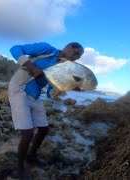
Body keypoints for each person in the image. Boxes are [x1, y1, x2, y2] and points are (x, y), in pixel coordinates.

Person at [8, 42, 84, 179]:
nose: (77, 57)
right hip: (19, 89)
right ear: (67, 48)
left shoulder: (63, 68)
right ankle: (19, 167)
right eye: (76, 53)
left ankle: (31, 156)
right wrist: (31, 67)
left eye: (79, 57)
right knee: (28, 133)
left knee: (44, 129)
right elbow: (15, 48)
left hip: (35, 96)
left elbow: (52, 90)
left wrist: (70, 86)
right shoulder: (46, 49)